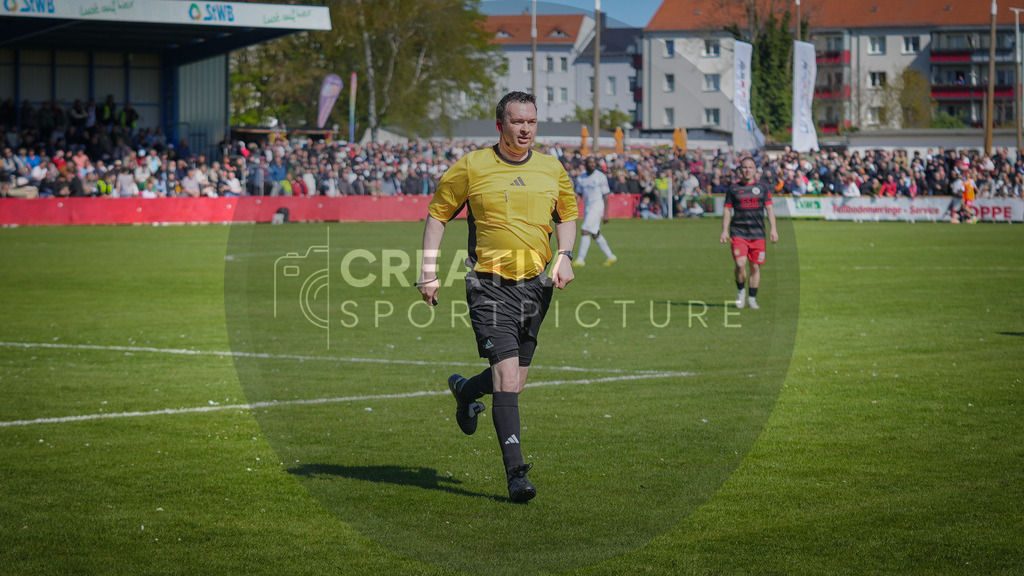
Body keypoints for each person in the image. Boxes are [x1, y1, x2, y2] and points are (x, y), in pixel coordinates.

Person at [415, 90, 577, 503]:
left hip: (536, 286)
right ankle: (516, 476)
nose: (525, 129)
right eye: (517, 121)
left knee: (515, 384)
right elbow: (437, 216)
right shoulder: (472, 167)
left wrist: (565, 256)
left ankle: (467, 391)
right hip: (488, 285)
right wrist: (427, 273)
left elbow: (568, 216)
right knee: (506, 378)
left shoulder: (551, 168)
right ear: (500, 124)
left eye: (531, 122)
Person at [719, 157, 778, 310]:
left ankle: (752, 298)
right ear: (740, 170)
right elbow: (727, 209)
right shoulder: (733, 189)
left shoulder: (762, 188)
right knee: (740, 264)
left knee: (755, 267)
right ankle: (741, 291)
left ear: (755, 169)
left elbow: (770, 209)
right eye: (744, 167)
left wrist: (773, 229)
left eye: (750, 167)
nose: (747, 170)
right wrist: (725, 231)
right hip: (739, 232)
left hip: (758, 234)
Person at [572, 155, 617, 266]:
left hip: (597, 207)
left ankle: (580, 259)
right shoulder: (581, 178)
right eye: (590, 162)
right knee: (595, 233)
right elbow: (579, 195)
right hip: (588, 208)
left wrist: (606, 214)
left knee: (585, 230)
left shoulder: (600, 177)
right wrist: (572, 208)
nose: (592, 164)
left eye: (594, 163)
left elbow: (606, 196)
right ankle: (610, 256)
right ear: (586, 164)